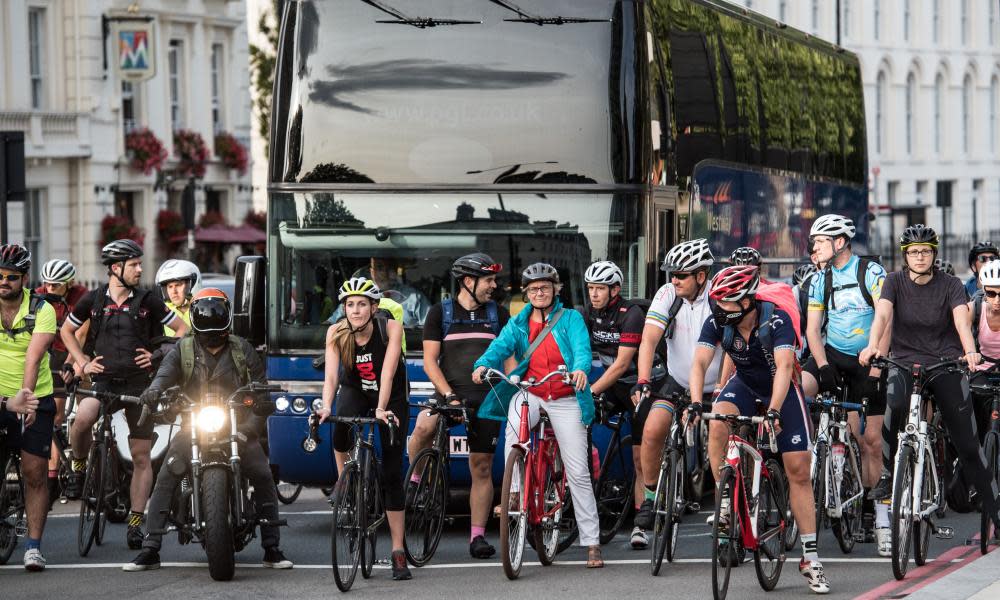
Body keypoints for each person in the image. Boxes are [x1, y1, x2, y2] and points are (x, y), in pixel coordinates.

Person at [124, 288, 292, 571]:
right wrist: (153, 391)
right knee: (167, 474)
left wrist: (255, 416)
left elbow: (261, 390)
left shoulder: (242, 349)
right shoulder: (184, 349)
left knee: (262, 473)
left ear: (227, 326)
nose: (212, 338)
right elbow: (164, 374)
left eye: (217, 332)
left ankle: (272, 547)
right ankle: (151, 548)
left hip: (238, 427)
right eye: (206, 334)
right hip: (193, 425)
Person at [860, 224, 1000, 558]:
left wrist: (969, 351)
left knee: (968, 447)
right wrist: (871, 347)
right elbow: (881, 317)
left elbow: (961, 322)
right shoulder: (892, 282)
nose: (919, 256)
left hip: (947, 364)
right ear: (905, 255)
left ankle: (996, 514)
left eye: (925, 251)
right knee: (892, 425)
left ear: (934, 254)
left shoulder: (951, 284)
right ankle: (899, 475)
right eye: (913, 252)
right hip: (905, 363)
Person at [689, 265, 830, 594]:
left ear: (747, 302)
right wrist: (697, 403)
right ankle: (727, 503)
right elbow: (699, 362)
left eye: (726, 304)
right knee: (718, 424)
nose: (718, 311)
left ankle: (811, 557)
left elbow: (783, 367)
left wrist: (775, 410)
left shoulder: (775, 321)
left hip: (780, 390)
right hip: (745, 385)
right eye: (717, 303)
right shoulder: (717, 322)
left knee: (797, 469)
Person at [472, 263, 603, 568]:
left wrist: (581, 369)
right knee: (513, 431)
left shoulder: (570, 318)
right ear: (526, 293)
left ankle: (592, 542)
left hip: (564, 395)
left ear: (556, 289)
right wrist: (482, 364)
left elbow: (582, 350)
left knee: (578, 470)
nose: (539, 293)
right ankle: (515, 493)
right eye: (533, 289)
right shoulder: (518, 323)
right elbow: (499, 347)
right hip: (532, 390)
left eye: (544, 287)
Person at [62, 239, 189, 549]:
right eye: (134, 265)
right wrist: (82, 362)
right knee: (82, 419)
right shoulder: (92, 301)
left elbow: (183, 332)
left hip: (139, 386)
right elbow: (66, 331)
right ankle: (78, 469)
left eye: (138, 264)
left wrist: (159, 353)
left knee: (141, 457)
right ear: (115, 269)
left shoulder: (149, 301)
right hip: (104, 382)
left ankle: (135, 523)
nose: (140, 269)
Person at [408, 253, 511, 559]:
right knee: (424, 425)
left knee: (480, 467)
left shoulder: (499, 315)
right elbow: (429, 362)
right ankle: (417, 481)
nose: (493, 285)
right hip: (449, 393)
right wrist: (448, 395)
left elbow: (510, 360)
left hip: (487, 399)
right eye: (488, 280)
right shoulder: (441, 313)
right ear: (469, 281)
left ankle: (477, 537)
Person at [316, 277, 412, 581]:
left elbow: (388, 373)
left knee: (393, 472)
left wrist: (383, 409)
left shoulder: (390, 329)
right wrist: (326, 406)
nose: (355, 310)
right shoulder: (336, 332)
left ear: (373, 307)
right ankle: (346, 482)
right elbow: (331, 378)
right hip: (355, 389)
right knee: (339, 428)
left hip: (391, 394)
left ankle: (398, 550)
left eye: (361, 304)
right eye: (349, 305)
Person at [799, 214, 888, 544]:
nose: (815, 247)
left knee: (870, 441)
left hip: (869, 358)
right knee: (799, 388)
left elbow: (886, 318)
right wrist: (822, 365)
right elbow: (811, 329)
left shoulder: (870, 272)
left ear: (839, 242)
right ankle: (806, 450)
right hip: (834, 356)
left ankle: (879, 516)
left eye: (820, 241)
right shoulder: (819, 278)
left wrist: (877, 366)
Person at [631, 240, 724, 535]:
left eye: (680, 275)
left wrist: (723, 385)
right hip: (679, 380)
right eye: (671, 273)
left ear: (701, 275)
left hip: (716, 384)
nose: (674, 280)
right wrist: (644, 380)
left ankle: (731, 505)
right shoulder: (668, 294)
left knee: (724, 442)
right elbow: (648, 340)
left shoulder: (718, 294)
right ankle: (649, 498)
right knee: (652, 429)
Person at [581, 259, 653, 548]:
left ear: (615, 290)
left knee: (639, 458)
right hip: (611, 386)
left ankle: (641, 524)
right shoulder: (588, 313)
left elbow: (623, 364)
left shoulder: (631, 313)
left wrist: (590, 389)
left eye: (600, 288)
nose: (594, 294)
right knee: (577, 422)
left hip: (636, 385)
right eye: (590, 288)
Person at [0, 243, 58, 571]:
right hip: (0, 397)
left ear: (24, 278)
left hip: (34, 395)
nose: (3, 282)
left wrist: (27, 397)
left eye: (10, 277)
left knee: (34, 471)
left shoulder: (42, 309)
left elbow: (33, 359)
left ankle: (33, 546)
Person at [34, 259, 89, 504]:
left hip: (78, 350)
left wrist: (70, 364)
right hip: (49, 352)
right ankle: (52, 476)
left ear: (68, 284)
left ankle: (76, 465)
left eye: (55, 285)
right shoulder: (38, 296)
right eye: (46, 284)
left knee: (72, 409)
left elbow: (81, 334)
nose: (49, 289)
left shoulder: (81, 297)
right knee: (53, 415)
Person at [366, 257, 430, 327]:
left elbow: (430, 328)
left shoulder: (413, 297)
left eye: (389, 268)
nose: (384, 273)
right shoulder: (364, 297)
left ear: (395, 271)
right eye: (379, 268)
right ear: (372, 272)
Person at [155, 259, 201, 336]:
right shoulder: (162, 310)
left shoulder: (201, 309)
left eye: (178, 285)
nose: (174, 291)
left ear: (190, 285)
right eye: (170, 287)